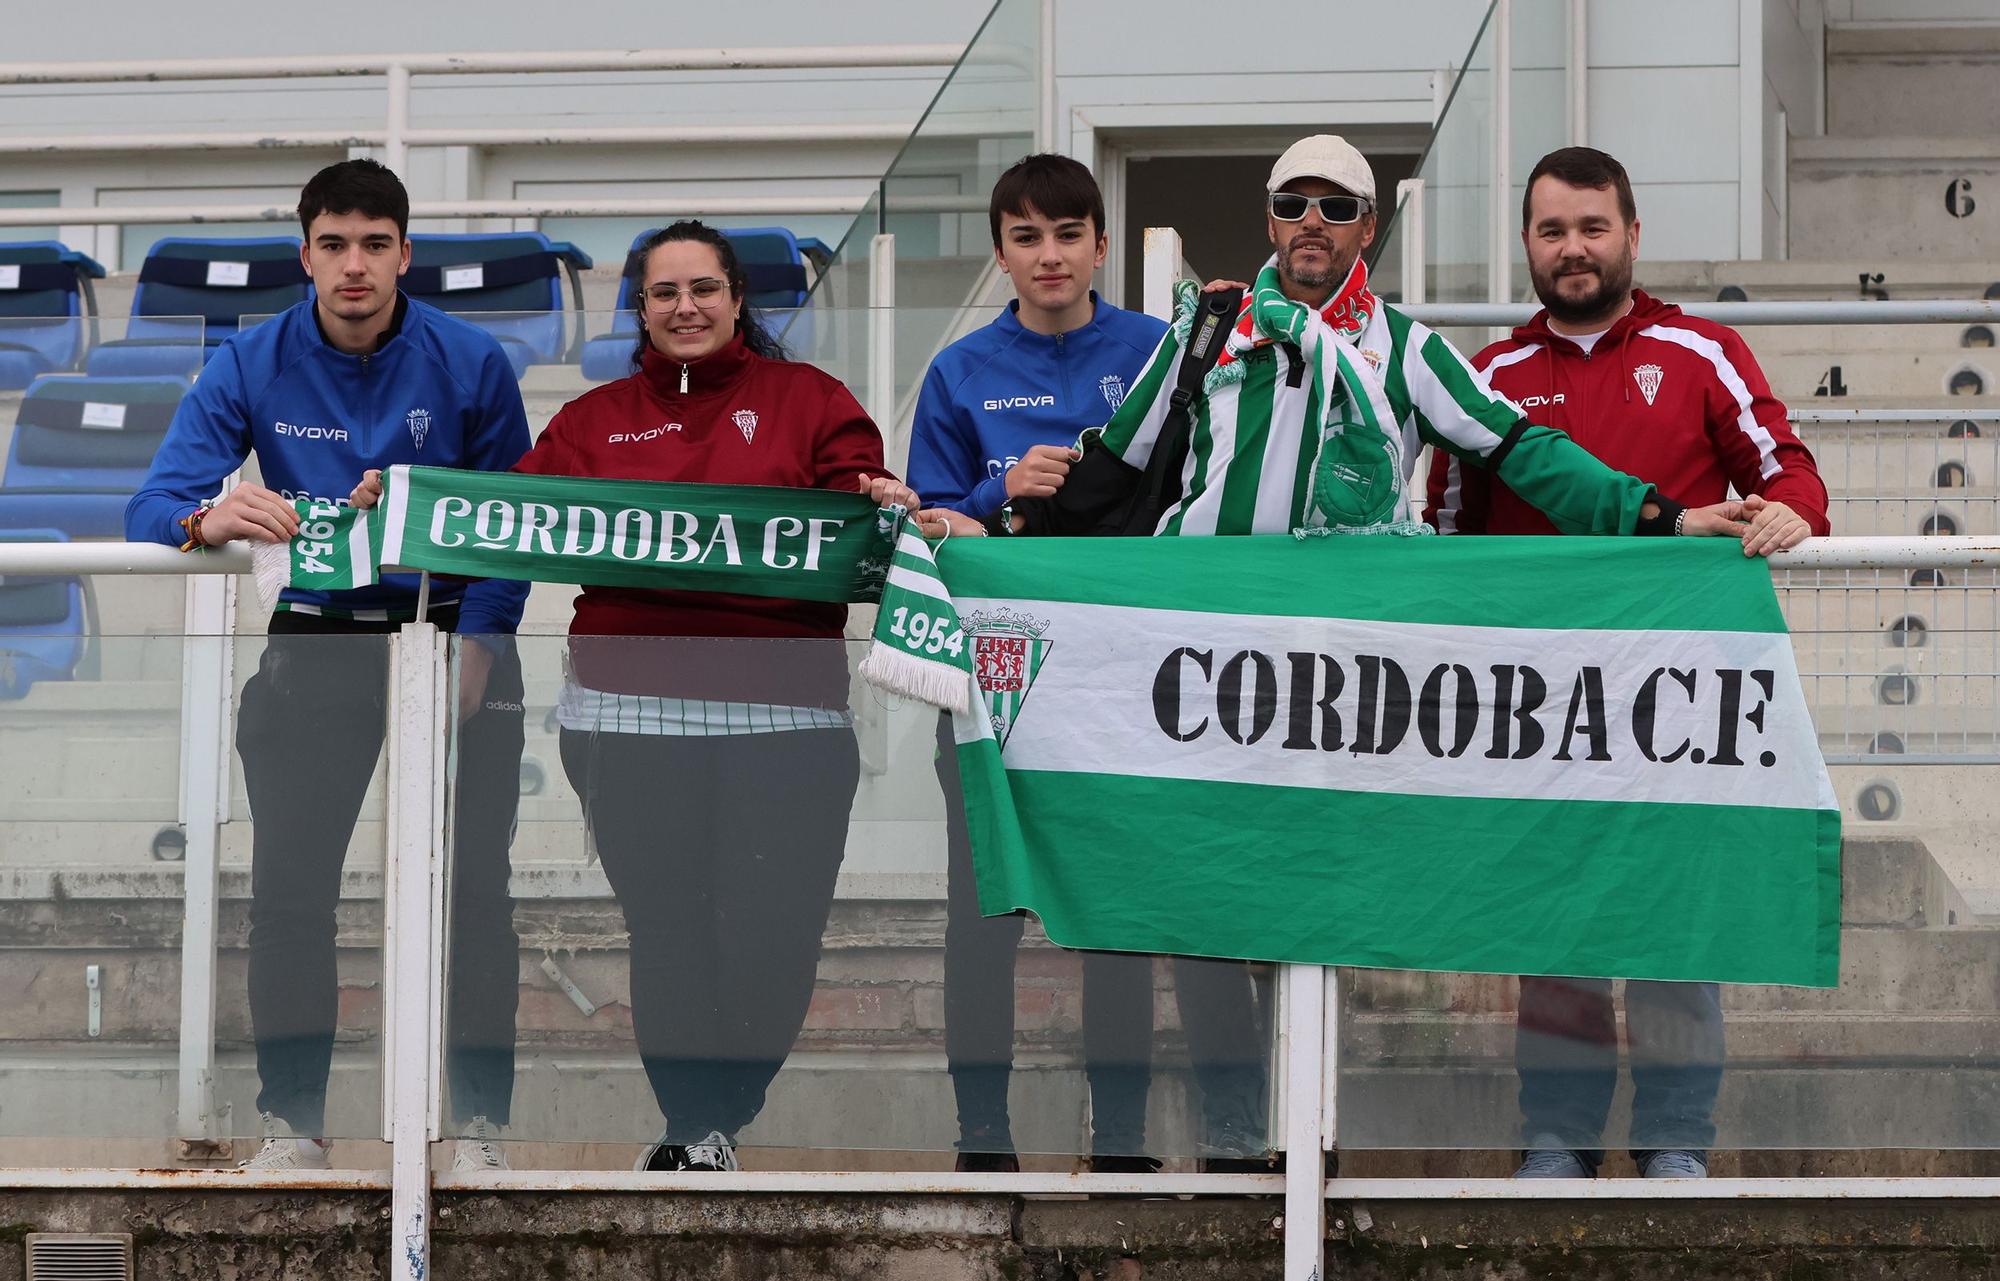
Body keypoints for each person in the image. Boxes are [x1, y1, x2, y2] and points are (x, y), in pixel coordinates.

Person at [917, 134, 1754, 1169]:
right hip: (1200, 667)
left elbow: (1522, 451)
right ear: (1268, 219)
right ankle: (1235, 1141)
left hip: (1335, 685)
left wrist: (1662, 518)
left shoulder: (1406, 348)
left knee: (1313, 905)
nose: (1311, 222)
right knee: (1205, 904)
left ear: (1368, 225)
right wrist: (986, 528)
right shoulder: (1204, 330)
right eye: (1292, 202)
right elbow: (1110, 473)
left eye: (1336, 205)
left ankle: (1306, 1146)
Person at [375, 219, 916, 1173]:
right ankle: (692, 1128)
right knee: (667, 931)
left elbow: (861, 510)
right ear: (640, 308)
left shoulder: (812, 401)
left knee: (774, 937)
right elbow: (502, 516)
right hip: (626, 719)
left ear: (738, 299)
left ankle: (719, 1114)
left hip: (789, 722)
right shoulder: (593, 420)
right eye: (664, 292)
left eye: (703, 288)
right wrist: (402, 502)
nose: (685, 307)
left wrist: (883, 504)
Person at [1426, 145, 1829, 1180]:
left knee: (1673, 923)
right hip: (1537, 702)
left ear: (1632, 235)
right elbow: (1445, 531)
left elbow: (1784, 467)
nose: (1573, 248)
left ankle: (1675, 1141)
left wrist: (1793, 510)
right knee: (1554, 927)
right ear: (1526, 243)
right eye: (1552, 229)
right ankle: (1557, 1139)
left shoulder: (1701, 352)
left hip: (1679, 693)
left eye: (1591, 227)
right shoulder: (1490, 377)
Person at [125, 159, 530, 1172]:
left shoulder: (472, 361)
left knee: (474, 894)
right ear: (304, 255)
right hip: (315, 638)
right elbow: (152, 506)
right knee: (291, 894)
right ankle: (293, 1123)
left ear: (405, 254)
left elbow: (513, 522)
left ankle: (476, 1127)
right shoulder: (250, 360)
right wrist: (207, 516)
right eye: (335, 244)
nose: (355, 265)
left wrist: (481, 645)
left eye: (375, 244)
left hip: (452, 633)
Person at [909, 153, 1213, 1174]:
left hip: (1125, 677)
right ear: (1000, 253)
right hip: (991, 680)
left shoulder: (1156, 351)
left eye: (1069, 234)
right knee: (983, 911)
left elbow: (1195, 495)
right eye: (1027, 237)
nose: (1050, 255)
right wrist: (1001, 495)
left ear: (1100, 245)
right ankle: (980, 1141)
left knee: (1114, 913)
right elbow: (927, 528)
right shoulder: (958, 371)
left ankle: (1120, 1143)